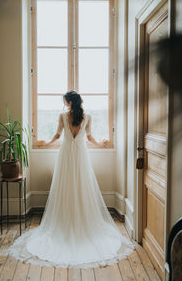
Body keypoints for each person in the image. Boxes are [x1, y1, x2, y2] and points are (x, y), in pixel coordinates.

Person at [9, 90, 134, 269]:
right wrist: (101, 144)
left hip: (67, 155)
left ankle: (65, 221)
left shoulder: (62, 116)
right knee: (82, 187)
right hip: (80, 155)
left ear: (68, 102)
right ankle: (80, 221)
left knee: (66, 187)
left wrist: (46, 143)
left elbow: (58, 136)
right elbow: (90, 138)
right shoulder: (87, 117)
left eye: (65, 101)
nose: (65, 104)